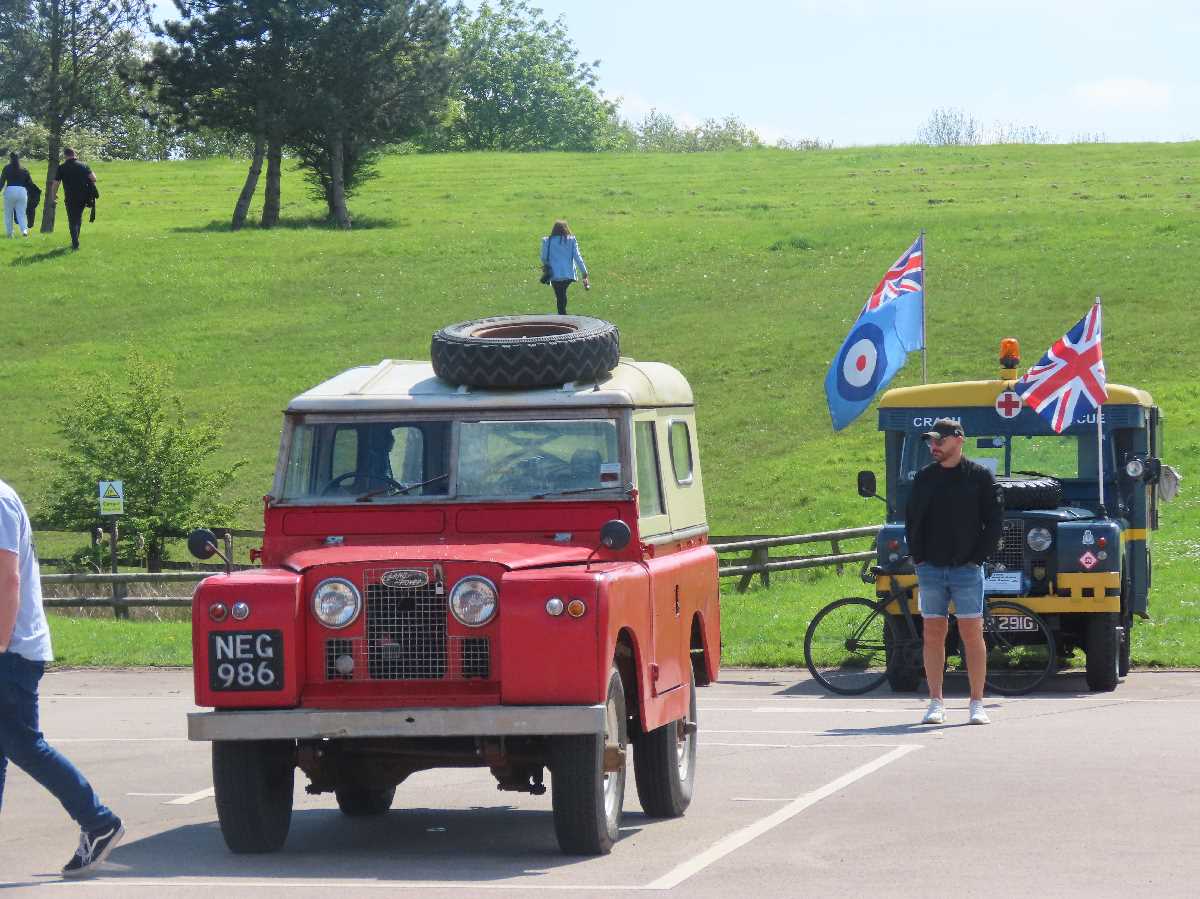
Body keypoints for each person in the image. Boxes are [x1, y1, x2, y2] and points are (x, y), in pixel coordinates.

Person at [0, 478, 124, 876]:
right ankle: (97, 821)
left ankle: (99, 821)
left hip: (11, 650)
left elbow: (7, 579)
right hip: (13, 649)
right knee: (11, 744)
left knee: (23, 744)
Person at [905, 418, 1003, 726]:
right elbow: (912, 521)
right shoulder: (924, 478)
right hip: (930, 569)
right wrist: (919, 558)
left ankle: (977, 703)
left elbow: (995, 523)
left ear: (959, 440)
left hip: (967, 570)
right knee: (933, 634)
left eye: (940, 441)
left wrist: (976, 559)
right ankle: (936, 702)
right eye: (931, 442)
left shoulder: (980, 477)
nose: (934, 447)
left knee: (971, 634)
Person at [49, 148, 97, 250]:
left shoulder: (62, 167)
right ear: (74, 154)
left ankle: (75, 243)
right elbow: (94, 178)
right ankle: (75, 241)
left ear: (65, 156)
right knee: (78, 218)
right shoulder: (83, 165)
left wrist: (54, 195)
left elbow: (56, 183)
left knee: (72, 220)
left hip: (70, 197)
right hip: (84, 197)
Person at [540, 220, 590, 315]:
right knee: (562, 294)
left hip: (554, 274)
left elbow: (543, 257)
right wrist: (584, 272)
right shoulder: (571, 240)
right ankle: (563, 314)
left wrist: (547, 265)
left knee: (560, 295)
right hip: (567, 274)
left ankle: (562, 315)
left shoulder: (547, 241)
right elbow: (577, 257)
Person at [1, 152, 33, 238]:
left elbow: (2, 182)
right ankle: (24, 230)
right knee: (21, 213)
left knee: (8, 213)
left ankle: (10, 234)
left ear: (10, 158)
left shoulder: (6, 168)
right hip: (22, 191)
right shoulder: (24, 169)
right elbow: (29, 183)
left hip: (10, 190)